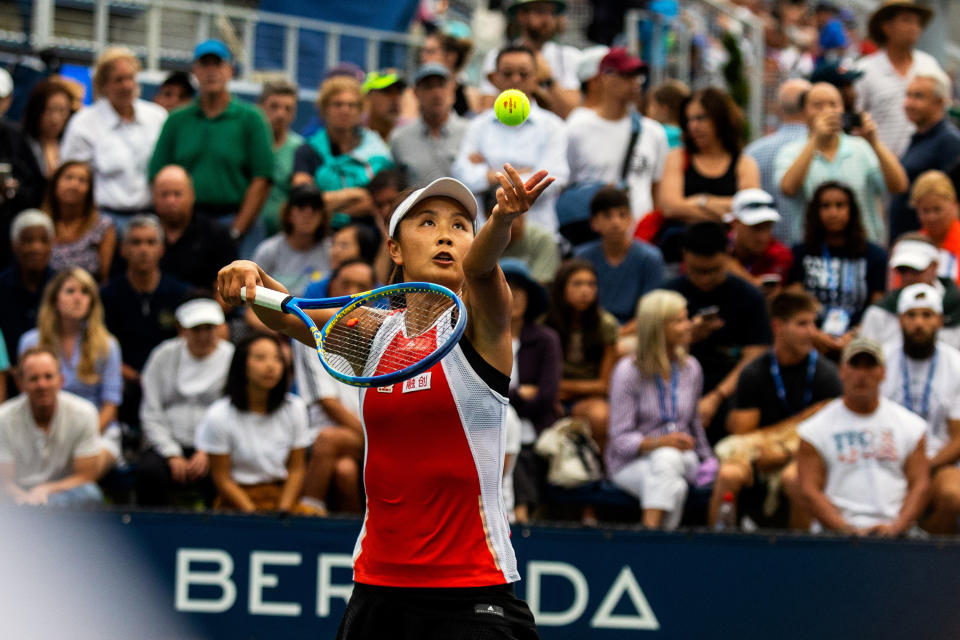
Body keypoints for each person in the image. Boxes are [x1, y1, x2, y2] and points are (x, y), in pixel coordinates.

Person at [217, 164, 553, 637]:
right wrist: (252, 274)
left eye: (460, 226)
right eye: (428, 222)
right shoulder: (375, 333)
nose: (446, 236)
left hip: (472, 590)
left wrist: (501, 220)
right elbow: (292, 316)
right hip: (378, 588)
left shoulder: (483, 324)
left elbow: (480, 267)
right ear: (394, 247)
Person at [710, 291, 843, 529]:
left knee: (795, 478)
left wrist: (785, 453)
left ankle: (801, 558)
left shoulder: (827, 374)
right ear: (778, 326)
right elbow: (742, 434)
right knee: (728, 475)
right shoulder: (754, 372)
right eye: (802, 324)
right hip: (759, 454)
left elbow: (829, 439)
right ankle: (716, 551)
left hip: (804, 456)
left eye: (814, 324)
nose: (812, 332)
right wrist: (801, 421)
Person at [148, 40, 274, 258]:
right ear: (195, 71)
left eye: (218, 64)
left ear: (230, 70)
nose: (211, 71)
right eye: (204, 64)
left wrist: (237, 229)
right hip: (187, 223)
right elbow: (157, 174)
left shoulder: (251, 119)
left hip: (236, 219)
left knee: (244, 289)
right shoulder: (177, 120)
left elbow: (261, 178)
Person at [797, 336, 929, 536]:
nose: (861, 374)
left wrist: (897, 527)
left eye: (870, 366)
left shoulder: (911, 426)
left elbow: (920, 484)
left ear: (883, 372)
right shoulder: (814, 430)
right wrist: (844, 528)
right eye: (855, 365)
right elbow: (809, 489)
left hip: (898, 534)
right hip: (835, 535)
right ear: (841, 371)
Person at [606, 289, 713, 529]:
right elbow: (619, 439)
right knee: (675, 486)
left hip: (685, 458)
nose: (689, 326)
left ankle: (648, 537)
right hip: (631, 462)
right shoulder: (628, 372)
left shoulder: (691, 368)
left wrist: (708, 459)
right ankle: (662, 543)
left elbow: (694, 422)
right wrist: (660, 442)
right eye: (679, 321)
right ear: (657, 327)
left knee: (668, 460)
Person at [666, 222, 772, 437]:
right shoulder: (666, 296)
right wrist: (686, 338)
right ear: (684, 256)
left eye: (713, 271)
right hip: (673, 384)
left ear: (728, 254)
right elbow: (646, 352)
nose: (705, 279)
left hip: (730, 386)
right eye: (698, 271)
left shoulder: (749, 296)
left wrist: (716, 397)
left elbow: (755, 356)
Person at [453, 45, 568, 234]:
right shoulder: (477, 125)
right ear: (495, 78)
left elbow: (555, 178)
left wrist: (490, 175)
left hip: (537, 232)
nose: (515, 79)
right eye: (507, 73)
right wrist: (520, 174)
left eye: (523, 73)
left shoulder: (554, 126)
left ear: (536, 77)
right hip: (484, 233)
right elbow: (461, 174)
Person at [18, 268, 122, 477]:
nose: (78, 298)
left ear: (92, 302)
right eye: (70, 291)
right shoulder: (31, 342)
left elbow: (111, 405)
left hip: (95, 432)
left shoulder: (107, 344)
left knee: (86, 468)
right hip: (43, 432)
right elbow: (26, 396)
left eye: (85, 292)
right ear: (55, 299)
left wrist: (80, 439)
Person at [776, 82, 908, 245]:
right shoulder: (791, 152)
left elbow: (899, 186)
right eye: (818, 105)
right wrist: (816, 139)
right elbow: (788, 189)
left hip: (862, 250)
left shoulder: (861, 148)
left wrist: (874, 142)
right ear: (804, 113)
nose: (827, 111)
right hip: (813, 252)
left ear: (843, 110)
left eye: (833, 104)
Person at [876, 283, 960, 534]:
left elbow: (958, 438)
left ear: (939, 321)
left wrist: (927, 465)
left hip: (938, 461)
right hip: (884, 459)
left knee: (954, 495)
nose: (918, 324)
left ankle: (926, 552)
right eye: (911, 315)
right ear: (900, 320)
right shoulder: (879, 360)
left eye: (927, 315)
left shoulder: (956, 365)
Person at [195, 333, 311, 512]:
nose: (271, 366)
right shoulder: (218, 415)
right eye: (260, 358)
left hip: (282, 498)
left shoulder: (295, 408)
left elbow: (296, 469)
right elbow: (222, 478)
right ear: (242, 365)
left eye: (278, 359)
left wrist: (284, 512)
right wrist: (253, 515)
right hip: (238, 502)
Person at [294, 260, 375, 516]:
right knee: (344, 469)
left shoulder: (383, 333)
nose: (352, 291)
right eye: (345, 284)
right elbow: (328, 403)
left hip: (367, 437)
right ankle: (323, 520)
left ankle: (311, 514)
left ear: (373, 295)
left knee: (334, 448)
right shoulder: (313, 331)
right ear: (331, 288)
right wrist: (373, 437)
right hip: (332, 437)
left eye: (361, 287)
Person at [136, 297, 234, 507]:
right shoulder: (163, 355)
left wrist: (209, 449)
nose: (203, 335)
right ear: (183, 330)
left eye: (209, 328)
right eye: (196, 329)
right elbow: (151, 410)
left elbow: (231, 411)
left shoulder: (231, 357)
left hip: (214, 446)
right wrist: (171, 453)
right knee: (149, 473)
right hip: (165, 442)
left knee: (221, 476)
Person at [59, 47, 167, 229]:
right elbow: (71, 176)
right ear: (103, 86)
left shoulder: (157, 117)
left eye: (130, 78)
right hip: (103, 220)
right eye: (118, 80)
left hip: (150, 219)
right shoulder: (84, 123)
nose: (127, 86)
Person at [100, 214, 190, 429]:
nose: (143, 249)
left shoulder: (180, 293)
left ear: (161, 249)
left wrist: (156, 377)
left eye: (151, 242)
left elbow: (186, 343)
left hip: (171, 377)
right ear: (123, 249)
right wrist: (133, 375)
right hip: (124, 379)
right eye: (136, 242)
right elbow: (100, 344)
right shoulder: (107, 295)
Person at [565, 48, 669, 233]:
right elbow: (566, 184)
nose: (635, 83)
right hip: (592, 236)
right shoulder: (577, 127)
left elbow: (657, 190)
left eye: (638, 76)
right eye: (627, 75)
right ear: (605, 77)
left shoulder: (654, 132)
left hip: (640, 237)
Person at [659, 87, 760, 262]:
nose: (693, 126)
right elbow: (669, 207)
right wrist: (725, 209)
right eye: (689, 120)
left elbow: (749, 210)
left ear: (720, 119)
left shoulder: (744, 163)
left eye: (700, 118)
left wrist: (700, 200)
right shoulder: (677, 157)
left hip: (728, 257)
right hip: (680, 254)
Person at [787, 181, 887, 354]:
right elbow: (794, 305)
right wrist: (815, 335)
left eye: (840, 205)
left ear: (852, 211)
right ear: (815, 212)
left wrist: (854, 335)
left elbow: (877, 308)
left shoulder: (874, 256)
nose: (833, 212)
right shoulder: (800, 253)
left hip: (859, 344)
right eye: (825, 206)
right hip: (810, 342)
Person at [0, 346, 102, 506]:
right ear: (21, 384)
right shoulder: (3, 417)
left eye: (48, 376)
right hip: (17, 496)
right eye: (34, 379)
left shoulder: (85, 413)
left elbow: (86, 475)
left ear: (61, 380)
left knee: (91, 493)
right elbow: (4, 481)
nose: (42, 385)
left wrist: (45, 490)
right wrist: (25, 500)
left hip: (60, 492)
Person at [501, 258, 561, 525]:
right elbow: (477, 390)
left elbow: (546, 397)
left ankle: (520, 520)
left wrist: (504, 396)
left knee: (522, 455)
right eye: (506, 287)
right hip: (487, 427)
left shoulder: (546, 339)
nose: (514, 297)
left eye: (521, 290)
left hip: (534, 432)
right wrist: (518, 393)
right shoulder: (477, 336)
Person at [291, 75, 393, 218]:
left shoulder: (378, 151)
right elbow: (302, 197)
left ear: (360, 111)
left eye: (352, 105)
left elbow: (387, 200)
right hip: (320, 232)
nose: (345, 110)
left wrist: (327, 201)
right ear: (324, 108)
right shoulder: (308, 151)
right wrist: (355, 193)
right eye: (338, 104)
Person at [543, 259, 617, 451]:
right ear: (562, 288)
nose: (586, 291)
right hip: (549, 395)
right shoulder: (545, 323)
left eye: (591, 284)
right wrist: (552, 393)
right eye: (577, 284)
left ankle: (600, 473)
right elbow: (536, 377)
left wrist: (562, 388)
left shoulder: (605, 324)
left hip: (588, 398)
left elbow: (604, 385)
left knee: (600, 416)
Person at [854, 0, 940, 157]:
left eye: (917, 22)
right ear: (886, 27)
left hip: (923, 164)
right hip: (878, 164)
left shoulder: (929, 65)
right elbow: (857, 119)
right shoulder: (865, 70)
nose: (914, 28)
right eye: (906, 20)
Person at [574, 186, 664, 325]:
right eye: (607, 216)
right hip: (591, 328)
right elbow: (575, 304)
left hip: (636, 330)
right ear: (594, 222)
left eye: (622, 215)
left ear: (630, 219)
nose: (616, 222)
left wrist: (620, 334)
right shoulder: (582, 257)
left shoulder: (650, 257)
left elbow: (651, 310)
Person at [888, 69, 960, 240]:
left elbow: (951, 199)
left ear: (939, 102)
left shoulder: (948, 141)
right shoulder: (919, 137)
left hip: (929, 247)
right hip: (908, 241)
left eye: (918, 97)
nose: (908, 103)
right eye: (908, 95)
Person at [478, 0, 581, 119]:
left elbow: (572, 114)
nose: (547, 19)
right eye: (540, 11)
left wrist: (548, 80)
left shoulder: (569, 56)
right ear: (521, 15)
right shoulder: (496, 56)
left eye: (551, 13)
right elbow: (486, 111)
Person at [860, 234, 960, 350]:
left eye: (915, 270)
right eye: (902, 270)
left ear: (934, 266)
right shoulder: (879, 313)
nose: (908, 277)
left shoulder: (957, 308)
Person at [743, 78, 811, 245]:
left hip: (767, 250)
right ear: (809, 107)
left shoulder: (753, 152)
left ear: (778, 109)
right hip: (814, 250)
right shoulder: (822, 149)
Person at [152, 165, 237, 290]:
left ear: (192, 195)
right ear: (154, 197)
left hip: (203, 305)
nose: (170, 201)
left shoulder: (216, 234)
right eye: (164, 194)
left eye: (177, 194)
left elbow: (230, 286)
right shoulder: (141, 235)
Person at [389, 64, 468, 186]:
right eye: (428, 87)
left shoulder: (471, 132)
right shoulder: (400, 138)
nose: (436, 93)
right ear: (416, 93)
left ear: (452, 89)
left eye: (441, 85)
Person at [0, 210, 55, 382]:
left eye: (42, 241)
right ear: (14, 245)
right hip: (7, 377)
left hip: (53, 378)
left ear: (51, 245)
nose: (36, 248)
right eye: (28, 240)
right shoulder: (1, 285)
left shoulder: (62, 287)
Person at [251, 184, 331, 297]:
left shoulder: (332, 251)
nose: (308, 212)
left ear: (322, 216)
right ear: (289, 214)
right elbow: (252, 302)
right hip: (276, 314)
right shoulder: (268, 250)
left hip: (321, 314)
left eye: (315, 207)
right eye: (301, 206)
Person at [44, 160, 115, 282]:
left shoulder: (103, 226)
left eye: (82, 180)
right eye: (68, 177)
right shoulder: (41, 223)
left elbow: (104, 277)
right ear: (55, 183)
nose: (74, 185)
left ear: (90, 190)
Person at [724, 188, 794, 295]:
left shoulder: (781, 255)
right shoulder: (714, 248)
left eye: (768, 227)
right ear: (735, 223)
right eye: (756, 227)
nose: (763, 237)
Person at [258, 79, 304, 237]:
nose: (281, 114)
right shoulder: (246, 143)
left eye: (288, 109)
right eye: (274, 107)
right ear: (260, 106)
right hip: (247, 230)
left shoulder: (300, 149)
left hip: (283, 236)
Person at [418, 26, 481, 117]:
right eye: (422, 51)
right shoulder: (413, 93)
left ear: (451, 56)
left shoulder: (471, 95)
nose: (423, 57)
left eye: (430, 52)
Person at [913, 170, 960, 284]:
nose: (931, 217)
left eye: (937, 209)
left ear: (954, 205)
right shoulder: (912, 246)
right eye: (925, 210)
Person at [21, 79, 74, 177]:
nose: (55, 119)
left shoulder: (71, 143)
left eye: (62, 111)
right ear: (37, 110)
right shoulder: (20, 143)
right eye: (49, 110)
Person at [362, 69, 409, 144]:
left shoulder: (410, 131)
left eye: (399, 92)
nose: (395, 99)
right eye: (387, 91)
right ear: (368, 96)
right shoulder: (353, 129)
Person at [646, 80, 690, 150]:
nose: (648, 109)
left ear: (664, 109)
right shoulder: (688, 135)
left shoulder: (654, 134)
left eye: (652, 105)